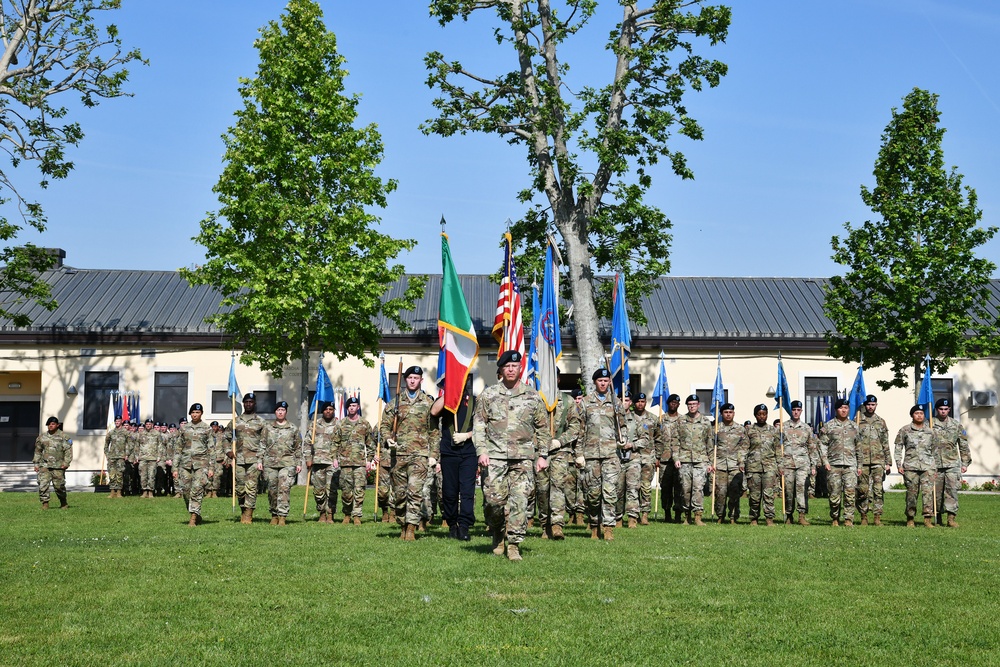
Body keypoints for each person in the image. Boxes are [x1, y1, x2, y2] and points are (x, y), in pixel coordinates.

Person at [473, 351, 548, 560]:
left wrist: (543, 455)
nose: (511, 369)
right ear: (501, 369)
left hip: (523, 457)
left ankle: (514, 543)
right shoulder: (488, 395)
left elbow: (542, 428)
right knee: (493, 502)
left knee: (521, 501)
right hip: (494, 456)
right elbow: (479, 425)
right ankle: (497, 531)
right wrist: (482, 451)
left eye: (515, 366)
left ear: (520, 368)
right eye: (507, 366)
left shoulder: (532, 396)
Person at [380, 365, 436, 541]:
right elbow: (384, 426)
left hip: (419, 454)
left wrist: (433, 455)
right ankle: (402, 523)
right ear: (405, 380)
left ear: (421, 380)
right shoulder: (394, 403)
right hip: (399, 455)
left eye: (416, 378)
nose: (413, 380)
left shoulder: (428, 403)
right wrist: (388, 438)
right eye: (410, 377)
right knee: (400, 494)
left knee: (415, 491)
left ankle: (411, 527)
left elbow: (434, 431)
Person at [577, 368, 627, 540]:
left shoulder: (616, 402)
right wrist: (578, 453)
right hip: (590, 454)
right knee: (593, 494)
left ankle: (608, 528)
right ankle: (594, 524)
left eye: (606, 381)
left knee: (609, 491)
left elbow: (623, 425)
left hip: (611, 454)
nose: (603, 383)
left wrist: (623, 440)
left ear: (609, 383)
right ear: (595, 382)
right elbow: (579, 429)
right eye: (600, 381)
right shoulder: (585, 402)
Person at [431, 377, 477, 541]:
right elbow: (434, 411)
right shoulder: (445, 402)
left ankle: (464, 526)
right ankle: (452, 524)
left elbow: (482, 426)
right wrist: (449, 393)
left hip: (468, 452)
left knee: (467, 491)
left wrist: (467, 435)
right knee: (449, 492)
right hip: (449, 452)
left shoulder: (474, 402)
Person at [540, 387, 580, 539]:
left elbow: (575, 426)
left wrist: (560, 441)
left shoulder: (568, 401)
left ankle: (557, 525)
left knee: (557, 486)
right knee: (542, 489)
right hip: (540, 452)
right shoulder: (537, 398)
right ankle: (545, 524)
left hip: (560, 451)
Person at [225, 392, 268, 524]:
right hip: (238, 459)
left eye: (251, 402)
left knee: (251, 487)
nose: (248, 404)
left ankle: (248, 514)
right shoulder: (235, 421)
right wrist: (228, 451)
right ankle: (243, 509)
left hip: (254, 459)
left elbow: (264, 441)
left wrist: (261, 458)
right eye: (246, 402)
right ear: (243, 404)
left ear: (255, 404)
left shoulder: (261, 422)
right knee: (239, 487)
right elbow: (225, 437)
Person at [672, 395, 714, 525]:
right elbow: (675, 441)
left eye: (694, 404)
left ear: (698, 405)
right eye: (689, 404)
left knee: (698, 488)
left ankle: (698, 516)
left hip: (701, 460)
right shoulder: (681, 421)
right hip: (684, 460)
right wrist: (676, 458)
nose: (692, 406)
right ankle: (686, 516)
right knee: (685, 489)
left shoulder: (705, 422)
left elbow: (709, 443)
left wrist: (710, 462)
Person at [173, 403, 217, 526]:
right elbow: (178, 449)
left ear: (201, 413)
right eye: (193, 412)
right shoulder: (184, 429)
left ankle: (193, 517)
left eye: (197, 412)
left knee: (197, 489)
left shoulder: (207, 429)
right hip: (185, 464)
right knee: (186, 491)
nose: (195, 414)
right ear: (190, 414)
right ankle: (195, 513)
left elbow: (211, 450)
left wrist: (211, 467)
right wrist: (174, 468)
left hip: (201, 464)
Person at [894, 405, 936, 528]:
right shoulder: (905, 430)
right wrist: (898, 464)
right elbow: (898, 447)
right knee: (912, 494)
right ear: (912, 415)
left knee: (927, 493)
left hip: (927, 467)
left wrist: (935, 467)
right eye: (917, 413)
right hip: (910, 467)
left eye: (921, 413)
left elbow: (935, 450)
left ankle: (927, 519)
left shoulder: (930, 431)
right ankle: (910, 517)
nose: (919, 415)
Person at [819, 398, 859, 527]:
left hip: (850, 465)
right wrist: (825, 461)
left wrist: (860, 465)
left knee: (850, 493)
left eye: (846, 408)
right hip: (834, 465)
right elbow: (823, 445)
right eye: (841, 408)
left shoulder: (854, 427)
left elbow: (859, 447)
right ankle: (835, 518)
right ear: (836, 410)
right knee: (834, 494)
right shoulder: (829, 426)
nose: (844, 410)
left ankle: (848, 519)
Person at [262, 401, 302, 525]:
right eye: (278, 410)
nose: (280, 412)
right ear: (275, 412)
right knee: (272, 490)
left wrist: (299, 462)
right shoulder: (268, 428)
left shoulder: (293, 428)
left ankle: (283, 516)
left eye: (283, 410)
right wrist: (260, 461)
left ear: (286, 412)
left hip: (287, 463)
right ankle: (274, 514)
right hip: (270, 463)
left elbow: (298, 447)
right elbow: (262, 444)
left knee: (284, 489)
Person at [932, 398, 971, 527]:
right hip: (935, 464)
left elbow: (963, 445)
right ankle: (937, 517)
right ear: (937, 409)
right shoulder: (930, 424)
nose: (943, 411)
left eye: (946, 409)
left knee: (952, 491)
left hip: (952, 464)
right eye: (941, 409)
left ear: (949, 410)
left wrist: (964, 463)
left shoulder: (956, 425)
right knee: (936, 493)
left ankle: (951, 518)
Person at [335, 396, 374, 525]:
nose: (352, 408)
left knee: (359, 489)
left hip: (360, 463)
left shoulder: (364, 424)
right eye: (350, 406)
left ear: (358, 407)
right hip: (345, 462)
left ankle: (357, 515)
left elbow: (370, 444)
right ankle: (347, 513)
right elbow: (334, 442)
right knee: (346, 491)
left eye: (354, 406)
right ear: (347, 408)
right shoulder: (341, 424)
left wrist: (369, 460)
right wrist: (334, 458)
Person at [780, 400, 818, 526]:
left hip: (802, 464)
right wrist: (779, 464)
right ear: (790, 411)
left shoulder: (806, 428)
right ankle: (789, 515)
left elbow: (812, 447)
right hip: (788, 463)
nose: (796, 412)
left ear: (801, 411)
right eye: (794, 410)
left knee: (801, 489)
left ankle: (802, 515)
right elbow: (777, 446)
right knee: (789, 490)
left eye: (798, 410)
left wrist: (813, 465)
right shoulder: (782, 427)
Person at [855, 394, 891, 526]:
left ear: (876, 405)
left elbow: (885, 442)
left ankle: (877, 517)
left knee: (878, 490)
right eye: (868, 405)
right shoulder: (858, 420)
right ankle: (863, 516)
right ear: (865, 406)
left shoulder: (881, 422)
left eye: (873, 404)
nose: (871, 407)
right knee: (862, 489)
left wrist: (888, 462)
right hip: (862, 461)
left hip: (878, 461)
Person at [623, 392, 657, 527]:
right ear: (634, 403)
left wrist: (658, 457)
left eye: (643, 401)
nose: (640, 404)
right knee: (632, 486)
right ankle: (632, 514)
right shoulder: (627, 417)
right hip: (631, 457)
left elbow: (659, 438)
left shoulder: (653, 419)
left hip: (648, 457)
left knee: (646, 487)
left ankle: (645, 514)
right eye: (638, 401)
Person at [712, 403, 747, 524]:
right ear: (721, 414)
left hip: (735, 466)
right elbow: (710, 446)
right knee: (720, 492)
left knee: (734, 492)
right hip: (720, 465)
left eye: (730, 412)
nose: (728, 414)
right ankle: (720, 515)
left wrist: (741, 460)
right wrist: (712, 462)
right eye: (726, 412)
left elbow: (744, 446)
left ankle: (733, 516)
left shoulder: (740, 429)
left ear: (734, 413)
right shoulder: (716, 429)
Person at [745, 404, 779, 526]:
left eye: (764, 414)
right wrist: (741, 462)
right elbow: (744, 448)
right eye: (759, 414)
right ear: (755, 415)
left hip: (769, 466)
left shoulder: (773, 431)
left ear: (767, 415)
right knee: (754, 495)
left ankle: (769, 518)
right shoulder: (749, 430)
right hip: (753, 467)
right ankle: (754, 518)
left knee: (769, 494)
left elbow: (778, 449)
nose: (762, 416)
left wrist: (781, 465)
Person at [306, 401, 339, 523]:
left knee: (332, 490)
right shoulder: (315, 424)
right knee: (318, 491)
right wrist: (308, 458)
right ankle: (322, 512)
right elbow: (307, 443)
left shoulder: (338, 425)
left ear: (334, 410)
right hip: (317, 462)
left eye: (331, 409)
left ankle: (330, 514)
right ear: (322, 411)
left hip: (333, 462)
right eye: (326, 409)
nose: (328, 411)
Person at [33, 416, 72, 509]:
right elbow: (38, 451)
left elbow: (68, 451)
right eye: (49, 424)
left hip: (58, 466)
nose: (50, 426)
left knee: (59, 486)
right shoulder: (42, 437)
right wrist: (36, 464)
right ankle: (45, 503)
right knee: (43, 485)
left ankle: (63, 502)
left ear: (58, 425)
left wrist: (66, 463)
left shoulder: (64, 437)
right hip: (44, 465)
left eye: (53, 424)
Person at [655, 394, 682, 522]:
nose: (673, 404)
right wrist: (657, 457)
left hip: (679, 459)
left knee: (679, 487)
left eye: (675, 402)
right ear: (667, 404)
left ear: (678, 404)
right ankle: (667, 513)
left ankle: (677, 513)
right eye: (671, 402)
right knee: (665, 487)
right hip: (664, 459)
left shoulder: (683, 420)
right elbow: (656, 439)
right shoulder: (660, 419)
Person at [135, 418, 161, 499]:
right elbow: (137, 446)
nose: (148, 425)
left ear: (152, 425)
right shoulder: (141, 434)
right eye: (147, 424)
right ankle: (144, 491)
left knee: (151, 475)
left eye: (150, 424)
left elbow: (160, 445)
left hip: (153, 458)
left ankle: (150, 492)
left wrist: (159, 456)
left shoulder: (157, 434)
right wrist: (136, 456)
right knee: (143, 475)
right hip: (143, 458)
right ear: (145, 425)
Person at [104, 417, 128, 499]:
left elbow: (130, 444)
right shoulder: (111, 433)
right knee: (112, 474)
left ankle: (119, 492)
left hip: (121, 456)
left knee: (119, 474)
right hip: (112, 457)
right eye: (116, 421)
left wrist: (126, 454)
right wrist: (107, 454)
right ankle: (112, 491)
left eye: (119, 421)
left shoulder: (125, 432)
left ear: (121, 421)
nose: (117, 422)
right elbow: (106, 444)